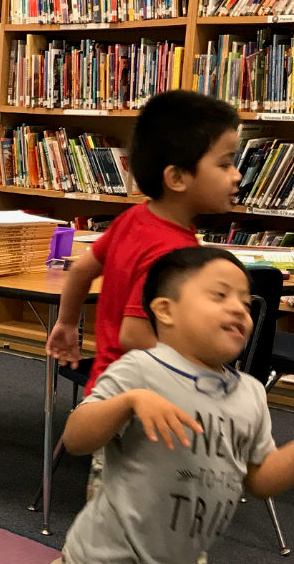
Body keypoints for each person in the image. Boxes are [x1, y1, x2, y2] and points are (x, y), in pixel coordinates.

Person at [56, 247, 294, 564]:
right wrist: (129, 401)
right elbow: (75, 439)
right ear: (166, 311)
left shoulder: (250, 392)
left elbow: (261, 481)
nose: (239, 309)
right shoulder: (142, 369)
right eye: (219, 295)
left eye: (245, 301)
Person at [44, 90, 243, 498]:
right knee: (126, 510)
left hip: (113, 391)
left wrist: (67, 324)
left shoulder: (136, 217)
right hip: (140, 401)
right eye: (224, 164)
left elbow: (82, 269)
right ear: (177, 178)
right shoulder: (171, 250)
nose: (237, 174)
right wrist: (205, 363)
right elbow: (135, 334)